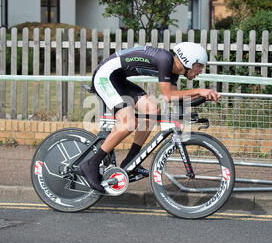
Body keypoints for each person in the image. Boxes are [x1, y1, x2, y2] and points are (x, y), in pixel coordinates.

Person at [81, 42, 221, 193]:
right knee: (128, 123)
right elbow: (168, 96)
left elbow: (175, 97)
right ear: (187, 61)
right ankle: (91, 164)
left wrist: (202, 97)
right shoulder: (165, 60)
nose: (200, 70)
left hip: (118, 80)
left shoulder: (174, 70)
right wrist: (200, 91)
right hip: (105, 76)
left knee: (152, 111)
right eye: (199, 66)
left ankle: (130, 161)